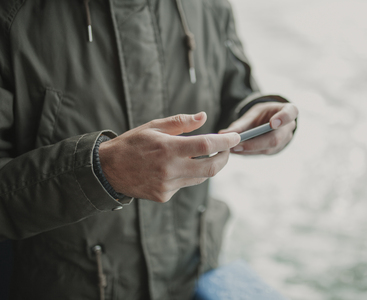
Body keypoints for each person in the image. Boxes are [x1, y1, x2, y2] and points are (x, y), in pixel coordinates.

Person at [0, 0, 298, 299]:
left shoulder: (211, 5)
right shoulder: (11, 17)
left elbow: (233, 91)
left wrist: (256, 112)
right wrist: (104, 172)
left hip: (190, 272)